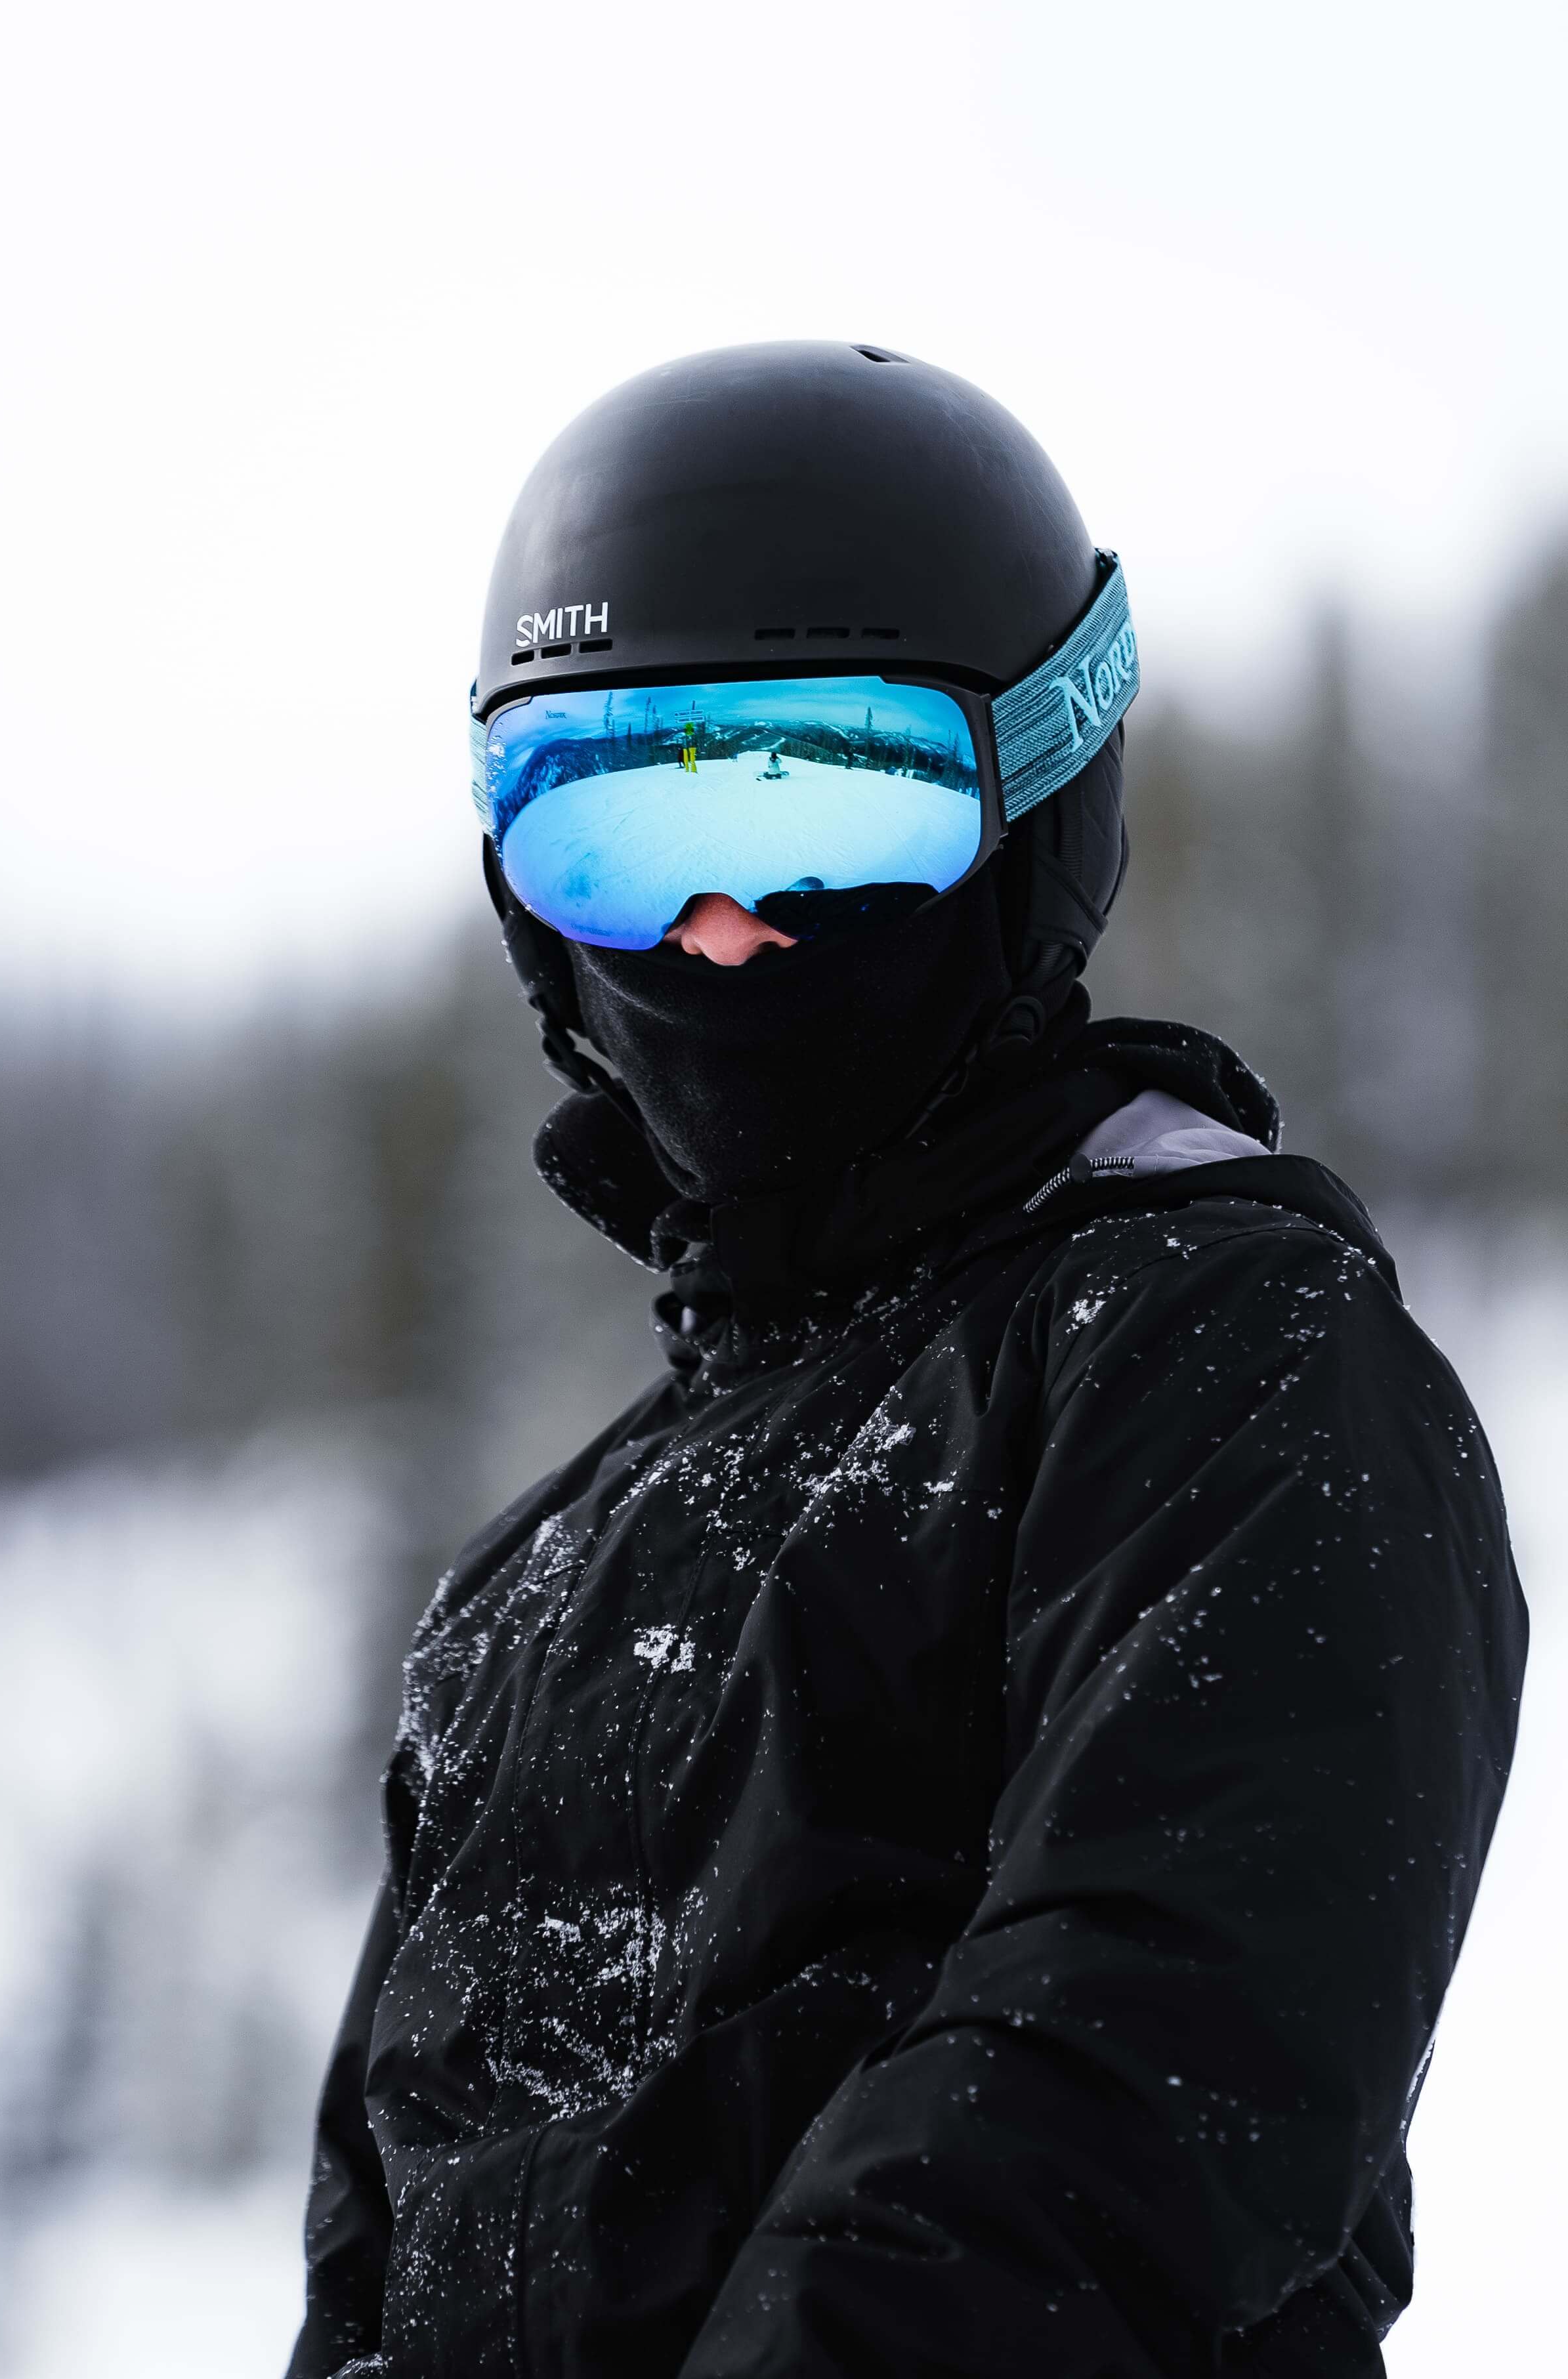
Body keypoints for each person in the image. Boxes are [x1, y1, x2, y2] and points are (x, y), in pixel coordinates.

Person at [284, 343, 1526, 2379]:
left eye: (826, 812)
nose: (716, 932)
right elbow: (378, 2258)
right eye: (609, 834)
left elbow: (1126, 2097)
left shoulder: (1220, 1363)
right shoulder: (534, 1583)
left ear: (1038, 803)